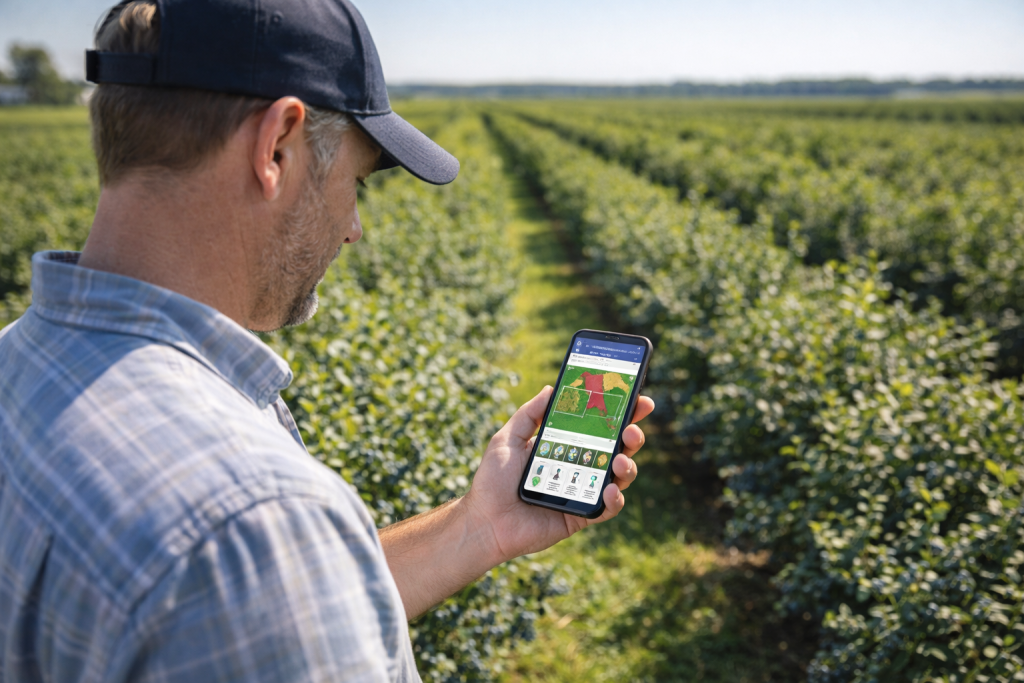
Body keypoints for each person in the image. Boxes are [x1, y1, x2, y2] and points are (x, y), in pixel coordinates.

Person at [0, 0, 654, 680]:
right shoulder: (252, 523)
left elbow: (270, 610)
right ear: (277, 146)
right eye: (358, 182)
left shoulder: (18, 364)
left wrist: (475, 525)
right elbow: (264, 580)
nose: (353, 228)